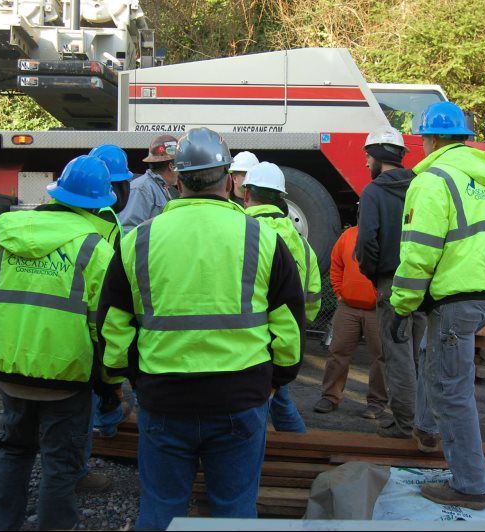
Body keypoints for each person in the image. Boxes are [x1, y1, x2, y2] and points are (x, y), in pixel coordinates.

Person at [97, 127, 305, 528]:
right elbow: (289, 326)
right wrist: (276, 379)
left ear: (177, 179)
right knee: (233, 511)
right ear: (228, 179)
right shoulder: (263, 238)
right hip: (241, 399)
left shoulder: (137, 241)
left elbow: (113, 330)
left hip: (163, 398)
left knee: (161, 509)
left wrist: (132, 378)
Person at [0, 155, 119, 530]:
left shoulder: (7, 240)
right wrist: (108, 381)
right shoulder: (95, 250)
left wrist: (5, 355)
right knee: (60, 464)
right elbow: (104, 329)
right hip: (66, 380)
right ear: (99, 202)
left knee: (14, 451)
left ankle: (0, 524)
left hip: (10, 371)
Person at [390, 101, 485, 510]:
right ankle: (427, 429)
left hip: (458, 300)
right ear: (464, 137)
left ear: (428, 139)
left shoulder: (432, 181)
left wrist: (402, 304)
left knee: (453, 391)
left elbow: (418, 252)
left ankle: (470, 486)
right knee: (435, 355)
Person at [354, 125, 427, 441]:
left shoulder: (374, 191)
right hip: (425, 285)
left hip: (392, 285)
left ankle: (404, 424)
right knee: (420, 356)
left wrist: (374, 275)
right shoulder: (422, 186)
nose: (366, 164)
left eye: (367, 157)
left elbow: (367, 240)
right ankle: (423, 422)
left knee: (397, 358)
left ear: (376, 157)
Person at [243, 161, 321, 433]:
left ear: (246, 194)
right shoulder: (299, 240)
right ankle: (299, 445)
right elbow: (313, 291)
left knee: (258, 406)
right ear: (281, 198)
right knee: (278, 396)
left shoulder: (242, 233)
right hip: (288, 334)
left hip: (250, 337)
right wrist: (299, 323)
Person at [79, 144, 135, 491]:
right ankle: (77, 470)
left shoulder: (55, 215)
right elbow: (108, 299)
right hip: (87, 322)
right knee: (86, 393)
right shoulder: (107, 224)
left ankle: (106, 417)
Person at [315, 225, 388, 419]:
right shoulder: (348, 234)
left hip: (378, 309)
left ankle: (377, 403)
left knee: (382, 357)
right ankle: (330, 397)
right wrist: (339, 291)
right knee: (337, 352)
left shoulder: (391, 233)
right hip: (348, 307)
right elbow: (336, 262)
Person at [118, 135, 180, 233]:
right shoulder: (141, 189)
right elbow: (128, 230)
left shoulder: (161, 188)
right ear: (171, 166)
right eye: (180, 165)